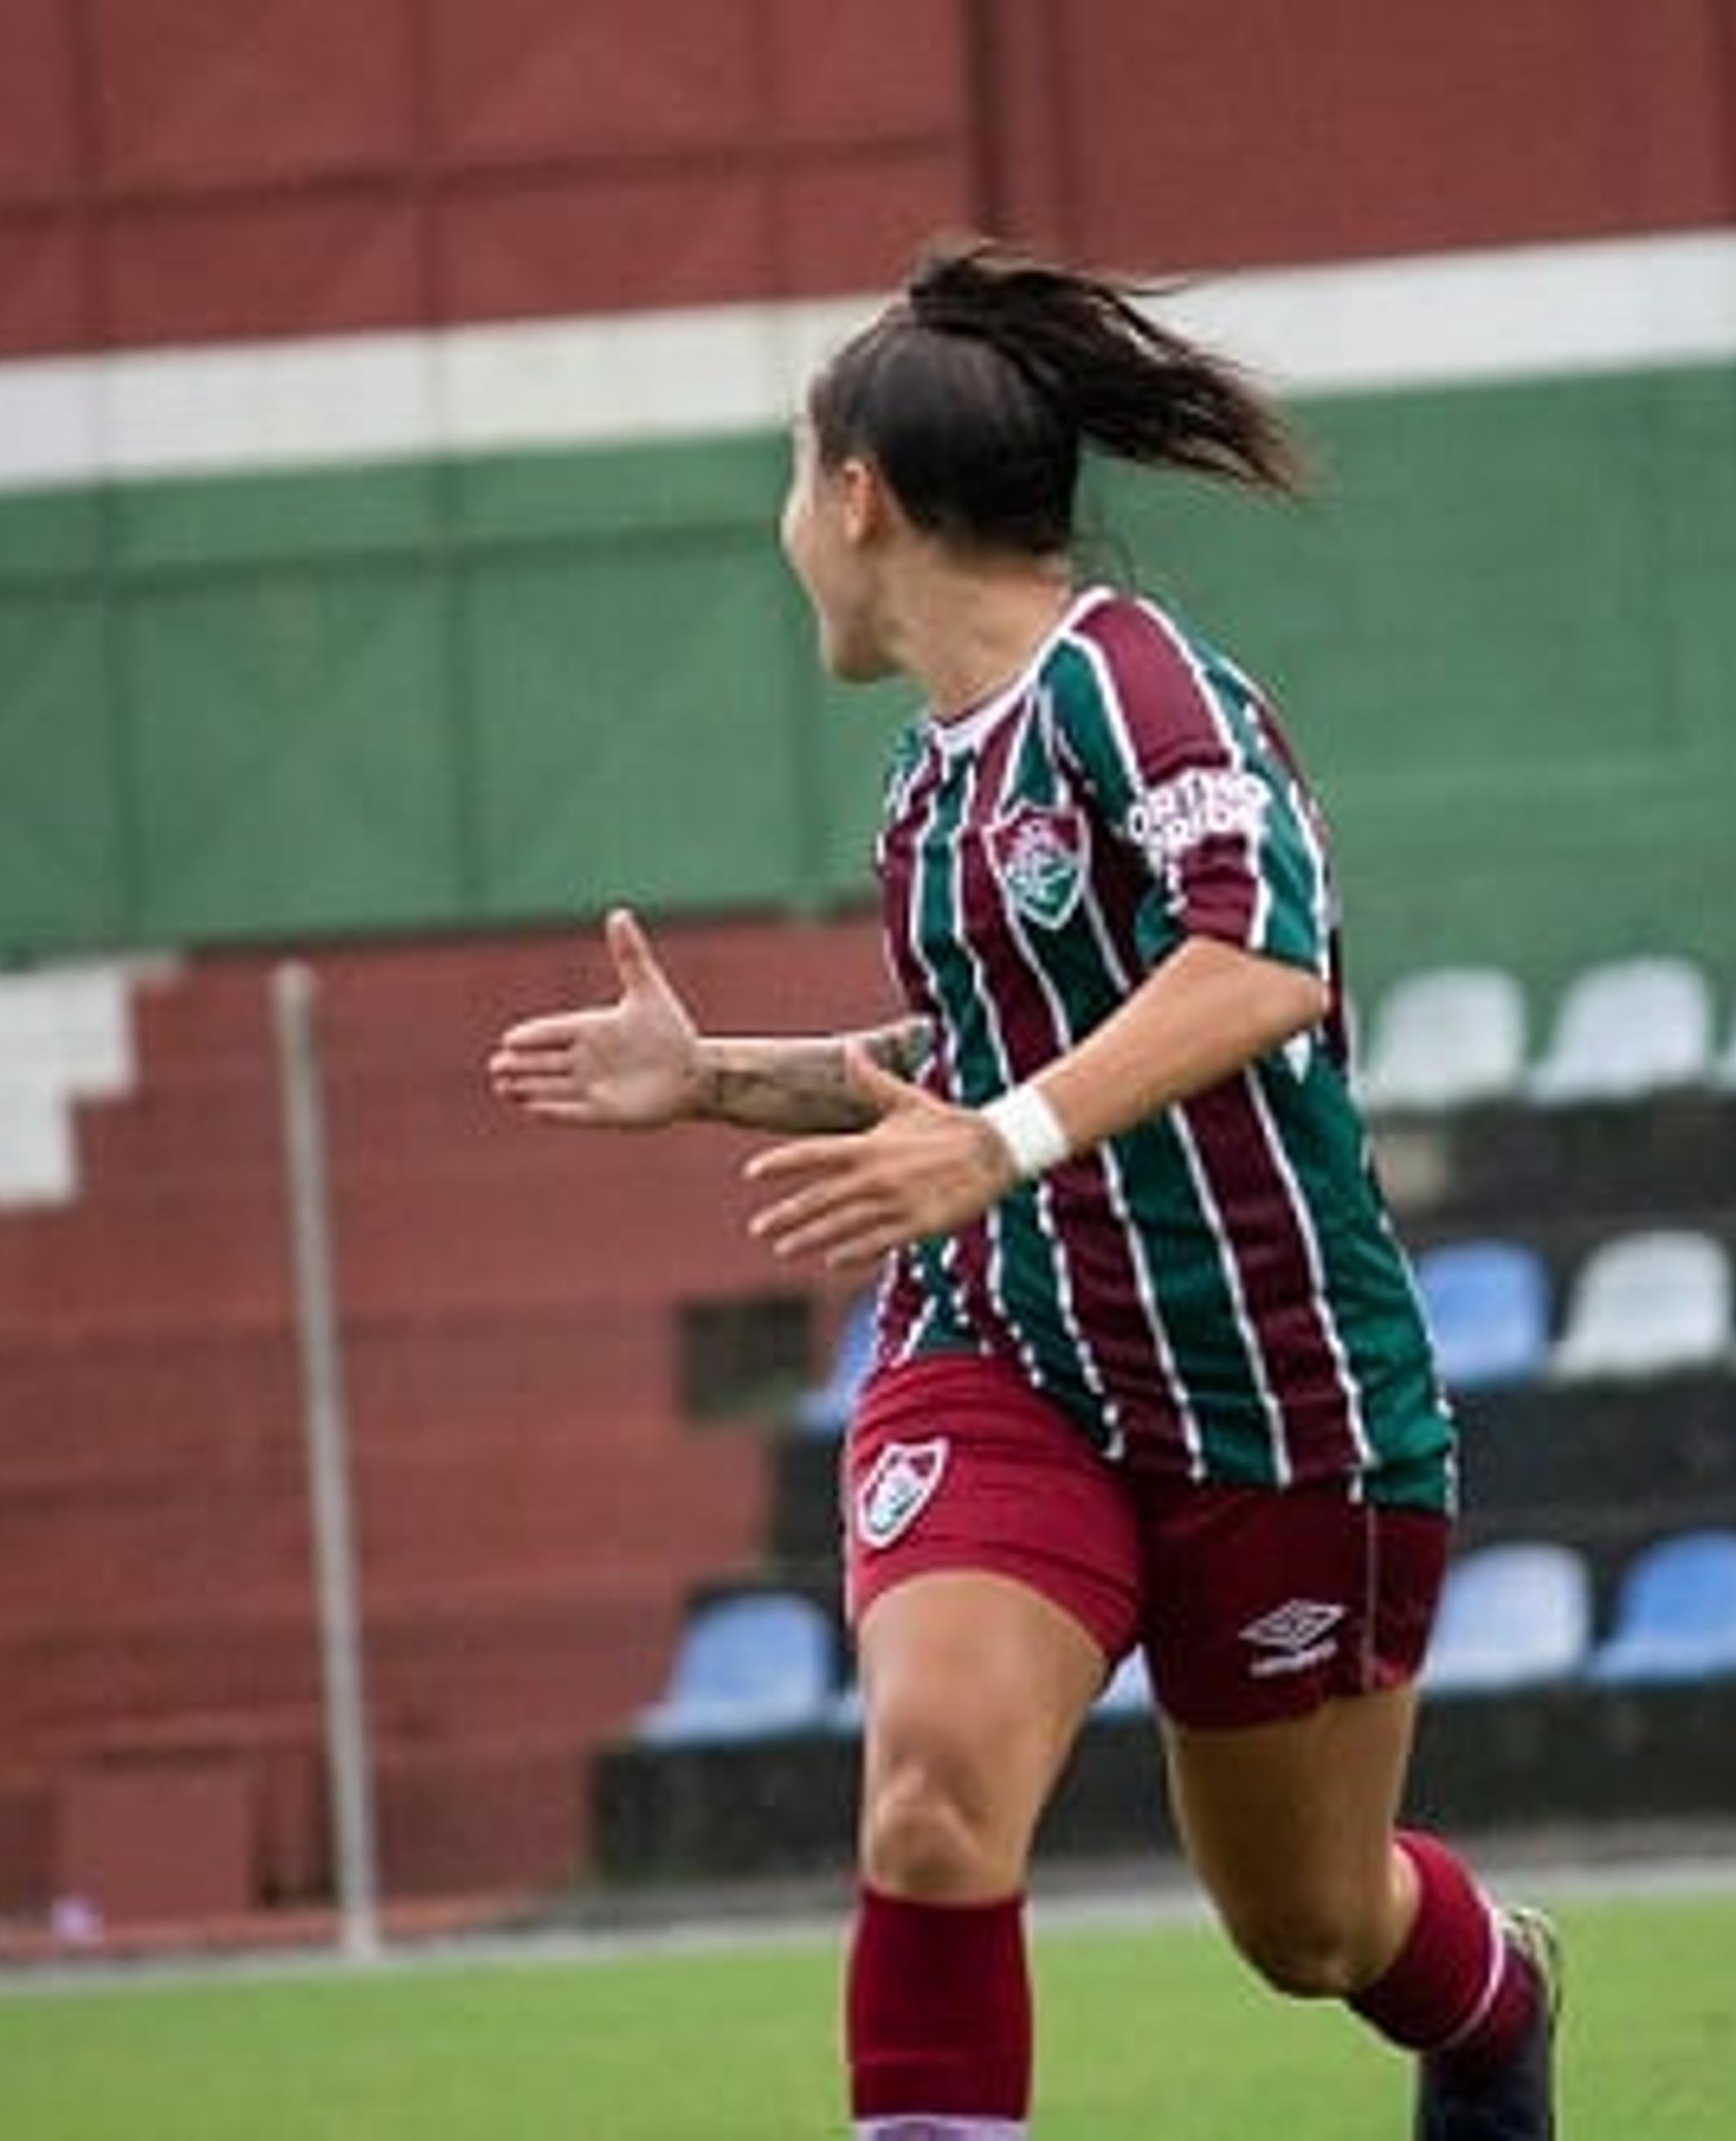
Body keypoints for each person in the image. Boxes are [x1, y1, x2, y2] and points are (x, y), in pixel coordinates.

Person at [486, 238, 1558, 2141]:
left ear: (856, 498)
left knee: (1311, 1927)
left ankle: (1494, 2008)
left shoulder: (1143, 694)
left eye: (787, 489)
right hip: (1012, 1364)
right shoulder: (927, 783)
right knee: (930, 1794)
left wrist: (997, 1142)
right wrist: (715, 1075)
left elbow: (1261, 964)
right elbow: (968, 1075)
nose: (785, 537)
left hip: (1275, 1400)